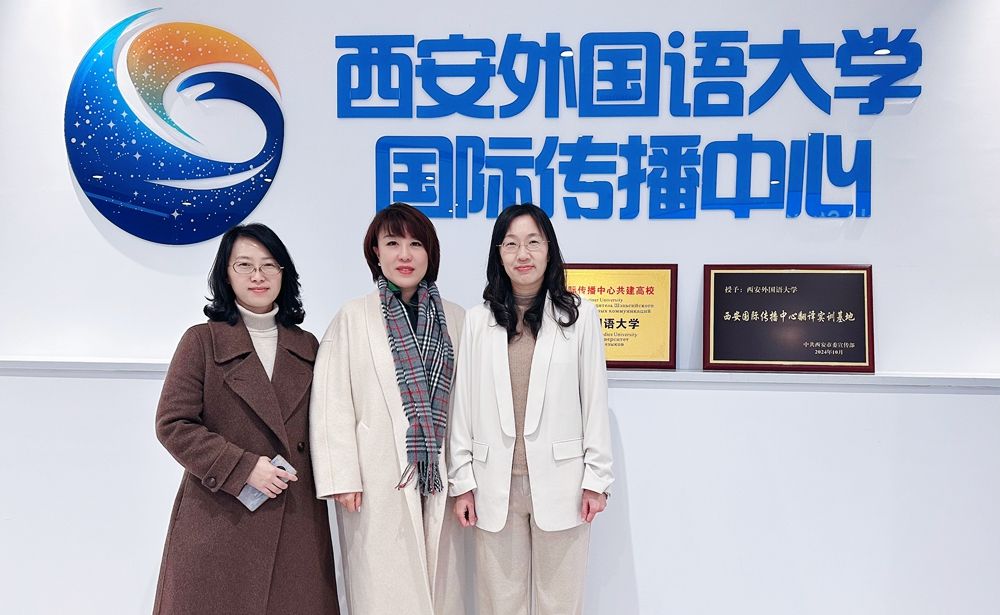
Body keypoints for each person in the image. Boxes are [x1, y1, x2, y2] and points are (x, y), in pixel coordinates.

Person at [153, 223, 339, 614]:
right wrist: (243, 467)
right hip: (220, 517)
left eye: (269, 265)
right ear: (226, 274)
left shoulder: (307, 345)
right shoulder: (202, 341)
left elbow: (326, 426)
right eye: (244, 265)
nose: (258, 276)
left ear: (284, 274)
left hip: (295, 520)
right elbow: (173, 423)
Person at [449, 204, 614, 615]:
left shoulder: (579, 316)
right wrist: (462, 480)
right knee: (499, 603)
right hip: (493, 483)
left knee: (560, 602)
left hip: (564, 483)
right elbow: (462, 404)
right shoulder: (478, 321)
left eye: (533, 242)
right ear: (498, 254)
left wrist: (597, 479)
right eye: (511, 244)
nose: (522, 254)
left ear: (549, 249)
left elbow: (595, 401)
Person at [310, 202, 467, 615]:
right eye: (393, 243)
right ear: (375, 252)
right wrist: (342, 476)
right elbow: (331, 401)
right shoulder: (353, 316)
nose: (404, 255)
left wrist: (469, 477)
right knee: (383, 591)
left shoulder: (457, 319)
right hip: (377, 479)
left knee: (442, 591)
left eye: (416, 244)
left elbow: (470, 407)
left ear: (430, 253)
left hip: (441, 475)